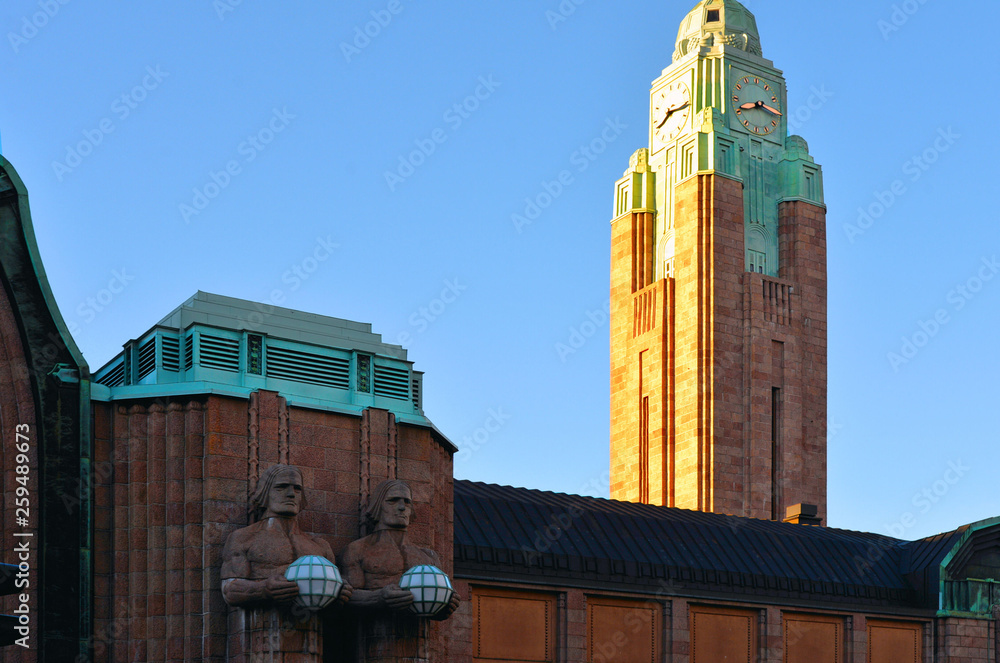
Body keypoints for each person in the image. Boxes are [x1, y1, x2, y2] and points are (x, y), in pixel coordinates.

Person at [221, 464, 352, 608]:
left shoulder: (320, 546)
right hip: (260, 623)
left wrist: (339, 590)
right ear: (265, 492)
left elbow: (334, 592)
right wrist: (263, 589)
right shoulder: (243, 538)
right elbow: (229, 590)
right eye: (281, 487)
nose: (291, 494)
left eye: (297, 488)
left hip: (312, 626)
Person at [339, 479, 460, 619]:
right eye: (393, 500)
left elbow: (437, 608)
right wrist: (378, 598)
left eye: (407, 502)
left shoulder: (429, 557)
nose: (402, 507)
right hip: (373, 631)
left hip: (418, 636)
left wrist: (447, 603)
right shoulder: (357, 549)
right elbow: (346, 594)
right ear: (378, 505)